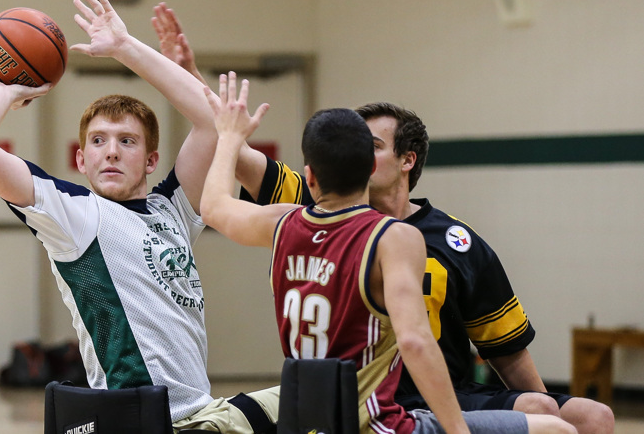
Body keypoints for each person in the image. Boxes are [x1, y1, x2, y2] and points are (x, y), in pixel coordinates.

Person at [149, 4, 613, 434]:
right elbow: (235, 143)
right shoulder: (319, 212)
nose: (354, 149)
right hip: (380, 404)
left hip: (447, 392)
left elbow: (508, 352)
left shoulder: (453, 242)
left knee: (590, 414)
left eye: (370, 142)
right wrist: (188, 75)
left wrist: (541, 398)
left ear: (407, 160)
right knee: (542, 417)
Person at [0, 0, 278, 433]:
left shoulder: (175, 209)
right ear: (81, 160)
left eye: (126, 142)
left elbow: (211, 118)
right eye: (98, 141)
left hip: (203, 413)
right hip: (141, 421)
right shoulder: (73, 214)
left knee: (317, 398)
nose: (111, 152)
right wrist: (1, 90)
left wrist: (126, 47)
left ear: (150, 160)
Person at [200, 72, 576, 434]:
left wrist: (229, 138)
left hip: (314, 414)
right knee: (555, 429)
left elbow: (214, 206)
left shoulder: (285, 222)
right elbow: (414, 341)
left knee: (578, 414)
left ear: (310, 176)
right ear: (367, 168)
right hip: (377, 420)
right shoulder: (392, 237)